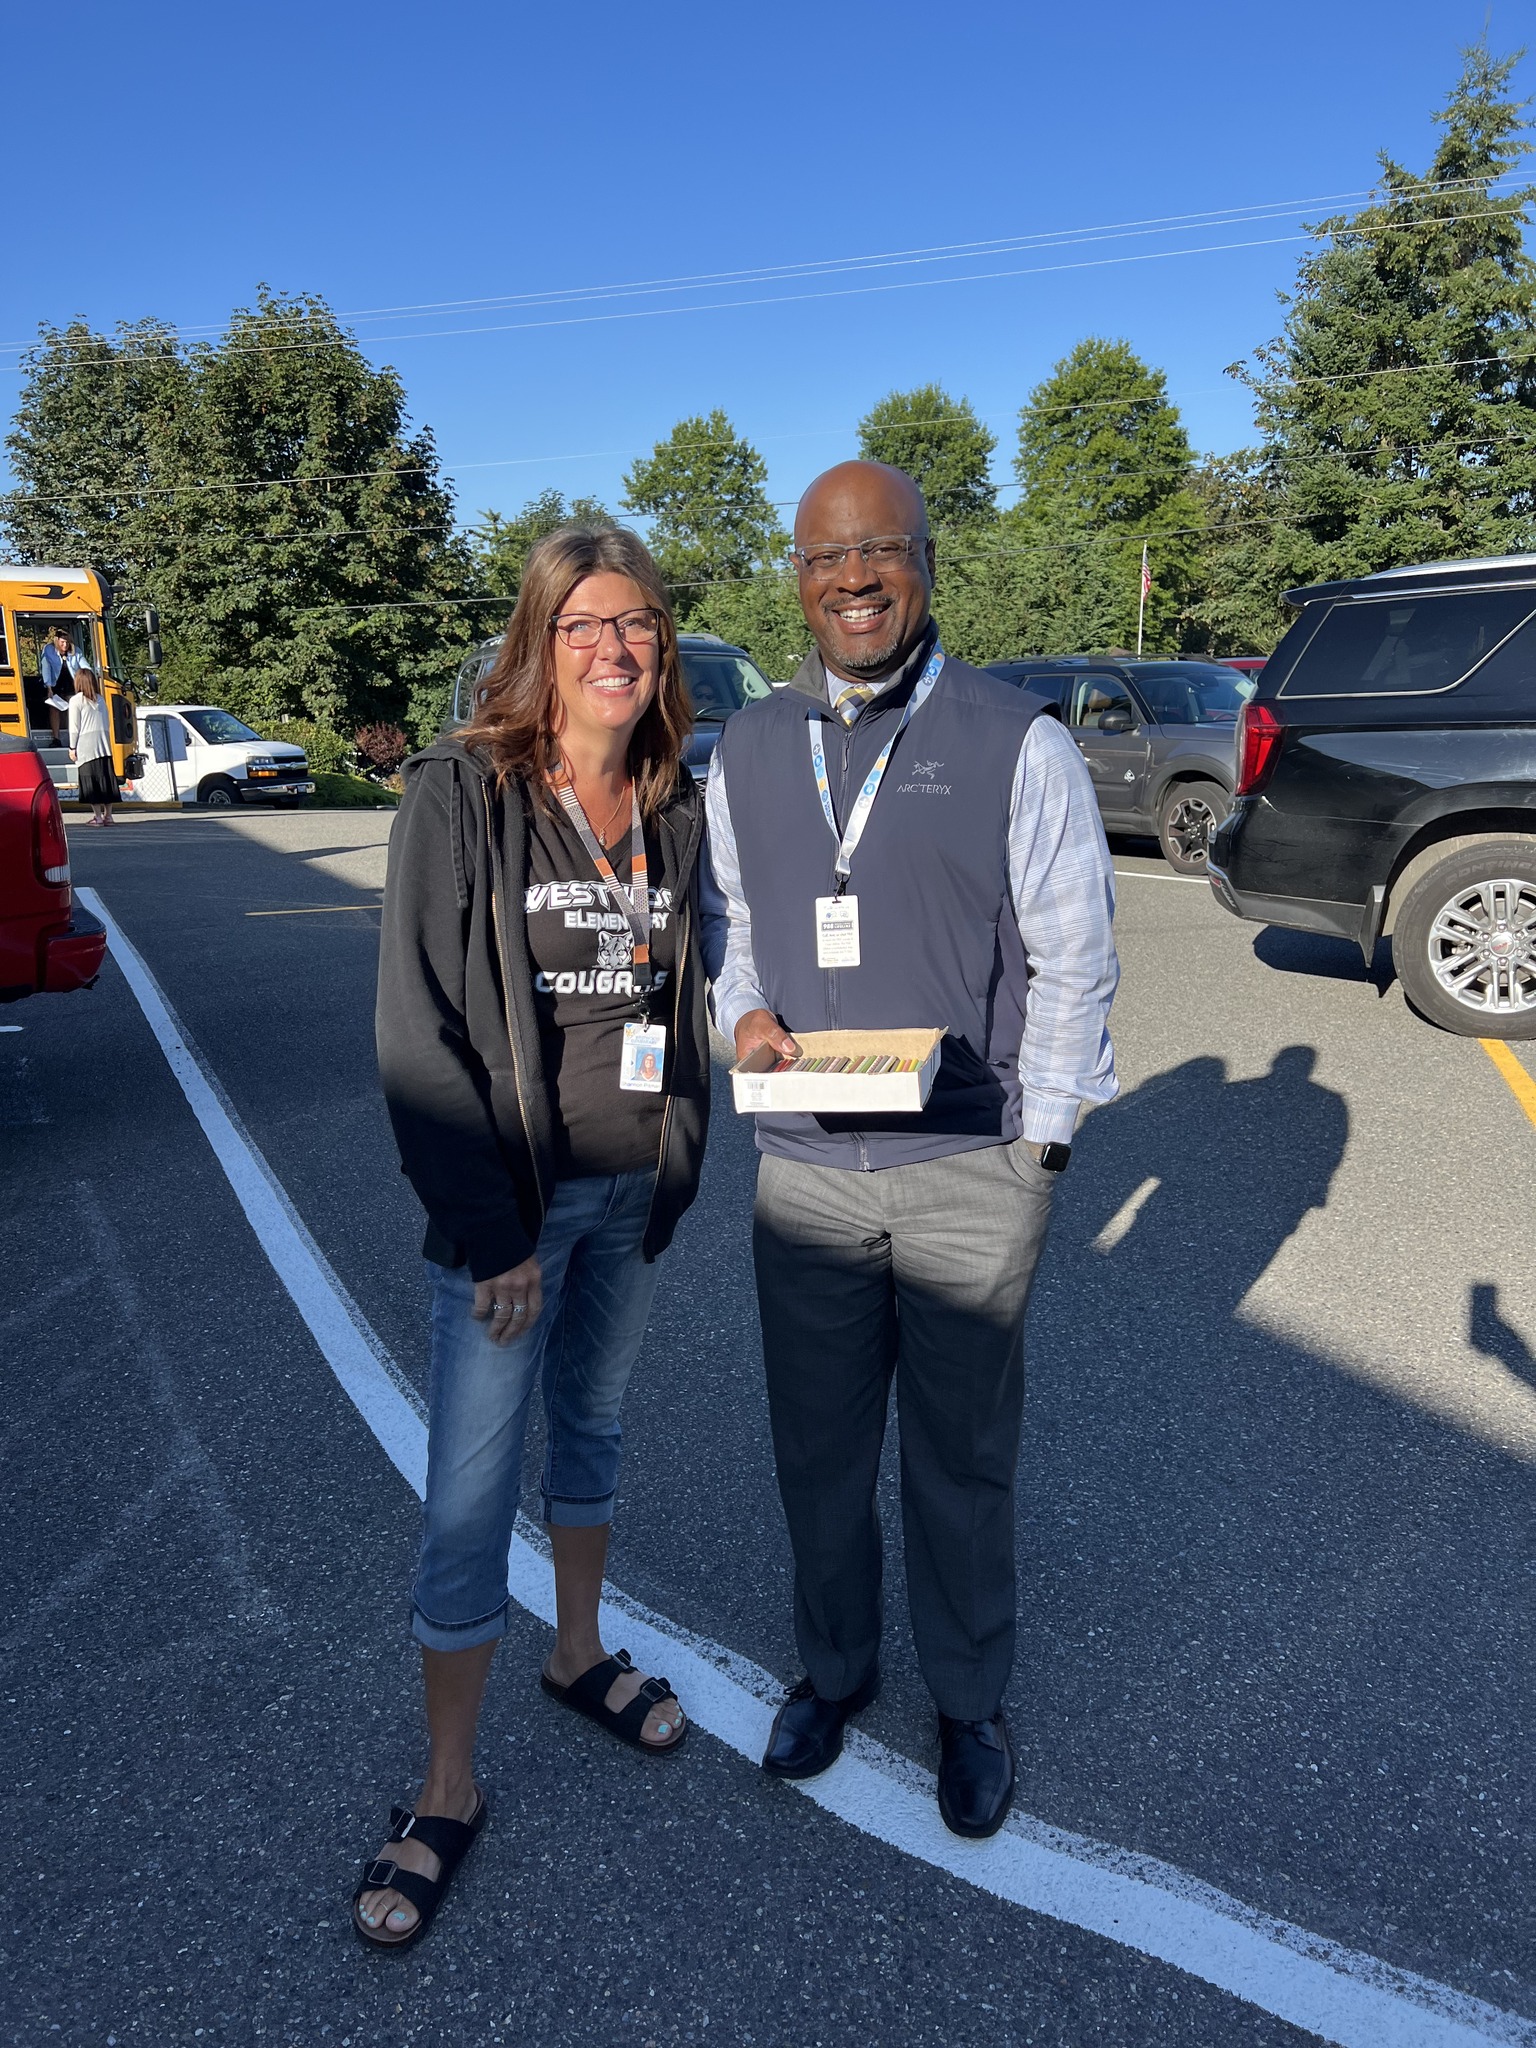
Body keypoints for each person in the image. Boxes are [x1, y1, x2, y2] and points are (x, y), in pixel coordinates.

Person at [703, 461, 1120, 1839]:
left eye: (881, 550)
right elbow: (740, 940)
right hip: (808, 1165)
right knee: (817, 1451)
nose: (855, 579)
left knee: (961, 1455)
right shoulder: (749, 747)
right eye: (827, 559)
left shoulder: (1019, 740)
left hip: (965, 1167)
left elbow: (1073, 960)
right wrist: (743, 1013)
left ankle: (967, 1699)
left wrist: (1039, 1149)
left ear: (927, 564)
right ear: (797, 580)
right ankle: (833, 1669)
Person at [363, 525, 711, 1948]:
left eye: (635, 625)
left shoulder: (677, 799)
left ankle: (576, 1653)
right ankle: (447, 1787)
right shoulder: (464, 791)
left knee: (598, 1432)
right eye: (582, 626)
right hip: (513, 1217)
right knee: (467, 1492)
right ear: (536, 642)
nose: (614, 650)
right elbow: (416, 1031)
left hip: (632, 1192)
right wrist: (488, 1226)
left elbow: (696, 980)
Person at [67, 666, 118, 826]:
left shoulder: (76, 700)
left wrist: (72, 747)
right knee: (106, 779)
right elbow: (107, 723)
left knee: (91, 782)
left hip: (86, 746)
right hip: (104, 745)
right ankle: (108, 815)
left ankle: (97, 817)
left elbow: (74, 727)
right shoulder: (100, 699)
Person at [40, 628, 75, 746]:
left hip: (71, 684)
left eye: (67, 642)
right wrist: (48, 687)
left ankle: (74, 739)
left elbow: (83, 666)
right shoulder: (49, 650)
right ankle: (56, 738)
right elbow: (46, 668)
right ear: (56, 641)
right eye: (62, 642)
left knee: (73, 710)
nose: (65, 645)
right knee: (54, 709)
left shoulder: (75, 651)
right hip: (55, 684)